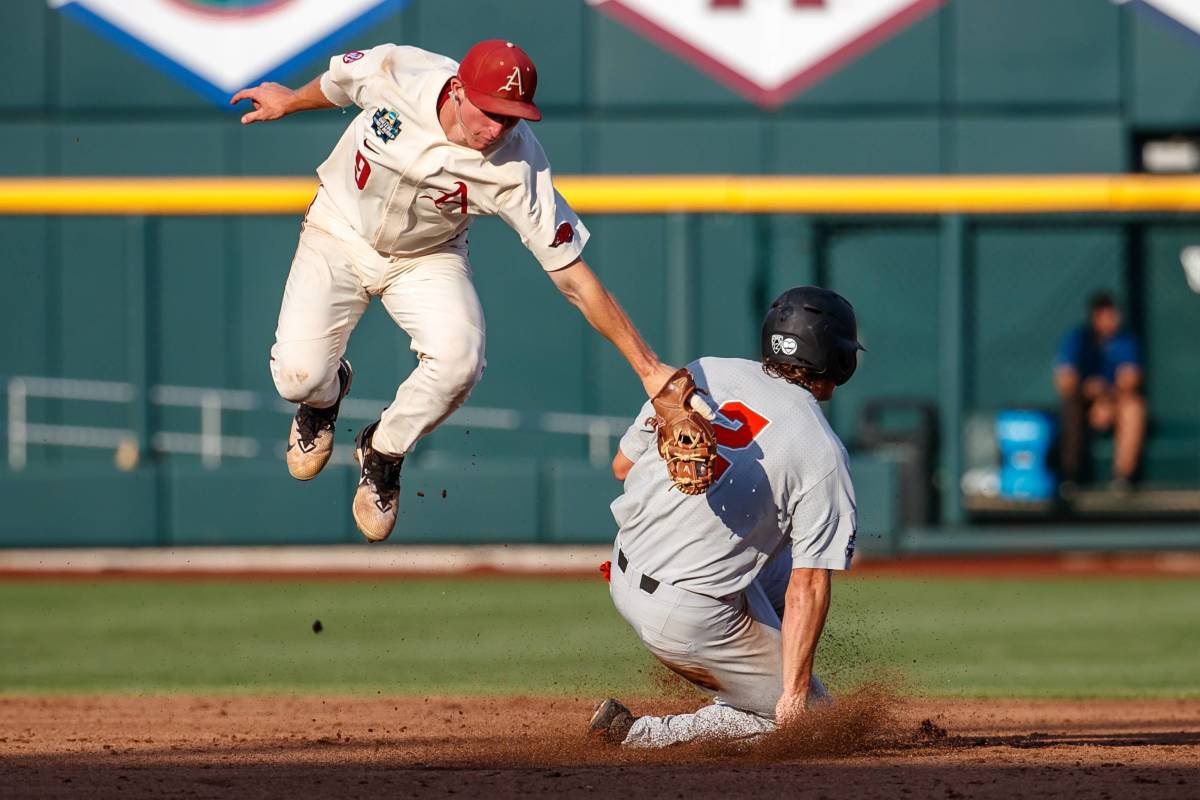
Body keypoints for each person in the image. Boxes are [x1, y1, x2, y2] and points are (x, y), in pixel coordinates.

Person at [230, 40, 680, 542]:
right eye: (489, 112)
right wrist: (291, 99)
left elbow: (573, 277)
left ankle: (383, 451)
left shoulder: (519, 165)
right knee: (298, 377)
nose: (496, 129)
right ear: (459, 89)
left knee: (461, 359)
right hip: (338, 229)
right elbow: (338, 83)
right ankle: (323, 397)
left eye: (510, 118)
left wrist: (648, 367)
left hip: (429, 255)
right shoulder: (398, 70)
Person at [588, 286, 864, 748]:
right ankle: (639, 734)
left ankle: (750, 685)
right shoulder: (821, 452)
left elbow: (622, 467)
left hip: (624, 565)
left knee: (781, 561)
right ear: (837, 359)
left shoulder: (704, 372)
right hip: (687, 614)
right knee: (814, 726)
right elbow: (810, 586)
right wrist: (793, 696)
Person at [1053, 292, 1145, 493]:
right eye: (1105, 315)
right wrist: (1089, 392)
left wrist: (1106, 400)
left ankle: (1122, 479)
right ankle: (1070, 478)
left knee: (1134, 407)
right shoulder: (1077, 339)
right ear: (1094, 317)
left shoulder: (1126, 341)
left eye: (1113, 315)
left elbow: (1130, 379)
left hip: (1115, 402)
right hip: (1083, 403)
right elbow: (1064, 381)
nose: (1111, 320)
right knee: (1069, 407)